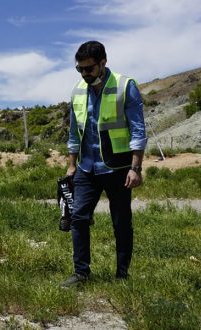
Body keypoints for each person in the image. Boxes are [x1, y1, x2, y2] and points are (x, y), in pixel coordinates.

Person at [61, 40, 147, 287]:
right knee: (78, 218)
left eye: (88, 68)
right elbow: (73, 133)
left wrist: (136, 167)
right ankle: (81, 274)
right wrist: (71, 164)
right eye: (80, 69)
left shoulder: (124, 86)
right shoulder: (78, 90)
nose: (84, 74)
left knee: (121, 221)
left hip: (118, 168)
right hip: (87, 167)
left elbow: (137, 130)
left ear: (103, 63)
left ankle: (122, 275)